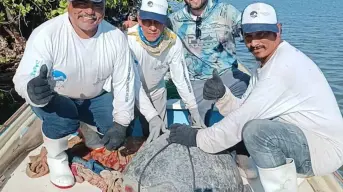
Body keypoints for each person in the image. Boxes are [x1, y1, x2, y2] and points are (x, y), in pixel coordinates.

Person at [168, 2, 343, 192]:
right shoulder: (267, 62)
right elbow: (245, 107)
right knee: (251, 127)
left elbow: (243, 120)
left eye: (262, 34)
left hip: (322, 149)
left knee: (256, 132)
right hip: (303, 135)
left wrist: (197, 138)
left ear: (278, 29)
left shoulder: (282, 68)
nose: (254, 42)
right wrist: (223, 96)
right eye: (248, 36)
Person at [12, 0, 135, 189]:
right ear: (69, 4)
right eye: (81, 3)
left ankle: (87, 130)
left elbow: (124, 81)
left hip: (94, 96)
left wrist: (121, 123)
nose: (89, 11)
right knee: (65, 118)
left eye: (96, 5)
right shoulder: (47, 33)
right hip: (56, 97)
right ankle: (56, 157)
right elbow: (25, 75)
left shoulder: (116, 37)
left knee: (118, 126)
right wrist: (31, 88)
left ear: (103, 7)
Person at [168, 0, 256, 179]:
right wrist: (132, 26)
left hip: (228, 75)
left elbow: (249, 29)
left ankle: (242, 150)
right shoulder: (175, 20)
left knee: (251, 97)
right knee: (200, 122)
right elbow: (151, 29)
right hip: (196, 80)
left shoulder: (226, 11)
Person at [127, 0, 205, 143]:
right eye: (147, 22)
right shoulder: (128, 41)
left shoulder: (173, 42)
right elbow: (132, 83)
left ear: (165, 22)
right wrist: (151, 115)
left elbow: (181, 79)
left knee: (158, 138)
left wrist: (193, 109)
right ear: (139, 19)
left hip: (157, 92)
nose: (152, 27)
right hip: (131, 92)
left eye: (157, 22)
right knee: (131, 137)